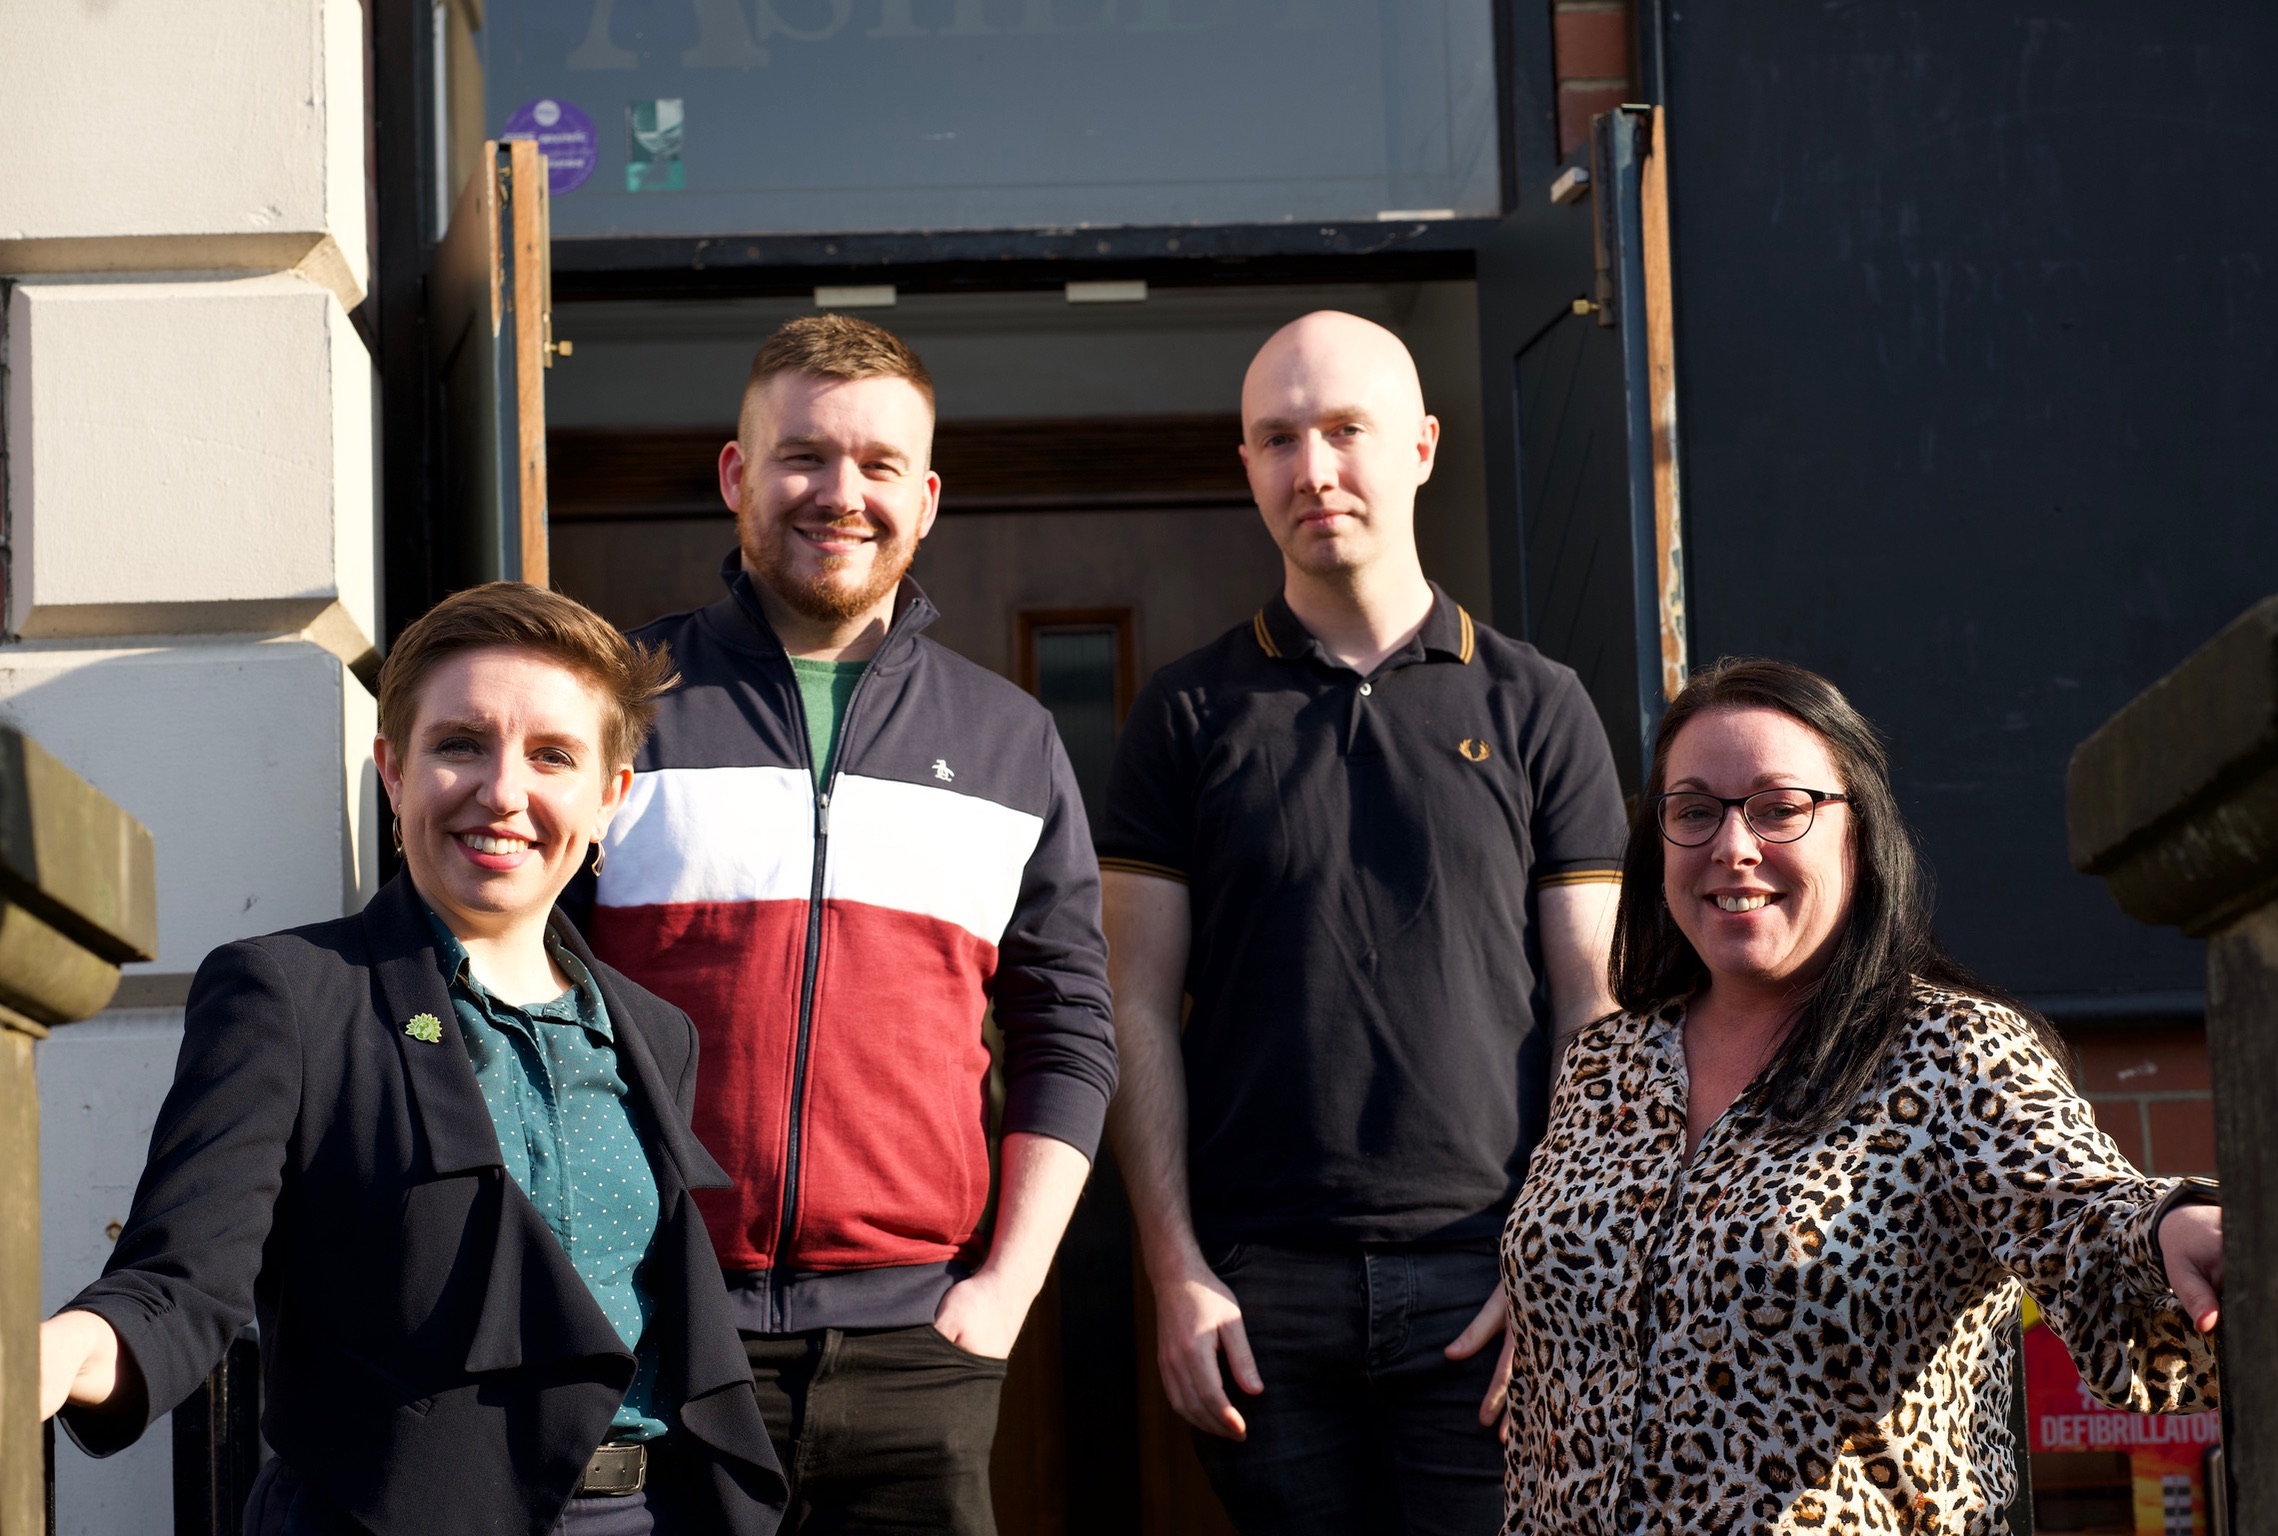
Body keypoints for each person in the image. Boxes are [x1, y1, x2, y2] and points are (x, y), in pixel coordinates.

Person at [37, 583, 786, 1536]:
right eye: (459, 744)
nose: (503, 791)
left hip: (650, 1516)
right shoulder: (289, 995)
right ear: (393, 772)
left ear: (609, 797)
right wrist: (55, 1355)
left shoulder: (655, 1033)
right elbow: (180, 1280)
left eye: (552, 756)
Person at [568, 313, 1117, 1535]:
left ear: (925, 500)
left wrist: (1006, 1291)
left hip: (920, 1348)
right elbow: (512, 994)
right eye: (804, 455)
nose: (839, 494)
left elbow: (1069, 1027)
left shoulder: (1010, 740)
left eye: (877, 466)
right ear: (735, 475)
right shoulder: (615, 708)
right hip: (659, 1332)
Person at [1096, 310, 1628, 1535]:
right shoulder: (1185, 716)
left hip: (1487, 1283)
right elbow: (1132, 1007)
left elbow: (1594, 1005)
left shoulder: (1539, 705)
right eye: (1277, 439)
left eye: (1346, 431)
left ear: (1424, 447)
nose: (1313, 469)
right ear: (1245, 466)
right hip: (1260, 1302)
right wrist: (1174, 1271)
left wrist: (1558, 1265)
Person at [1502, 657, 2224, 1531]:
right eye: (1695, 811)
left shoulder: (1951, 1052)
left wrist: (2172, 1224)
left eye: (1779, 808)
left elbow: (2082, 1214)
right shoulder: (1604, 1064)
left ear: (1857, 832)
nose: (1733, 846)